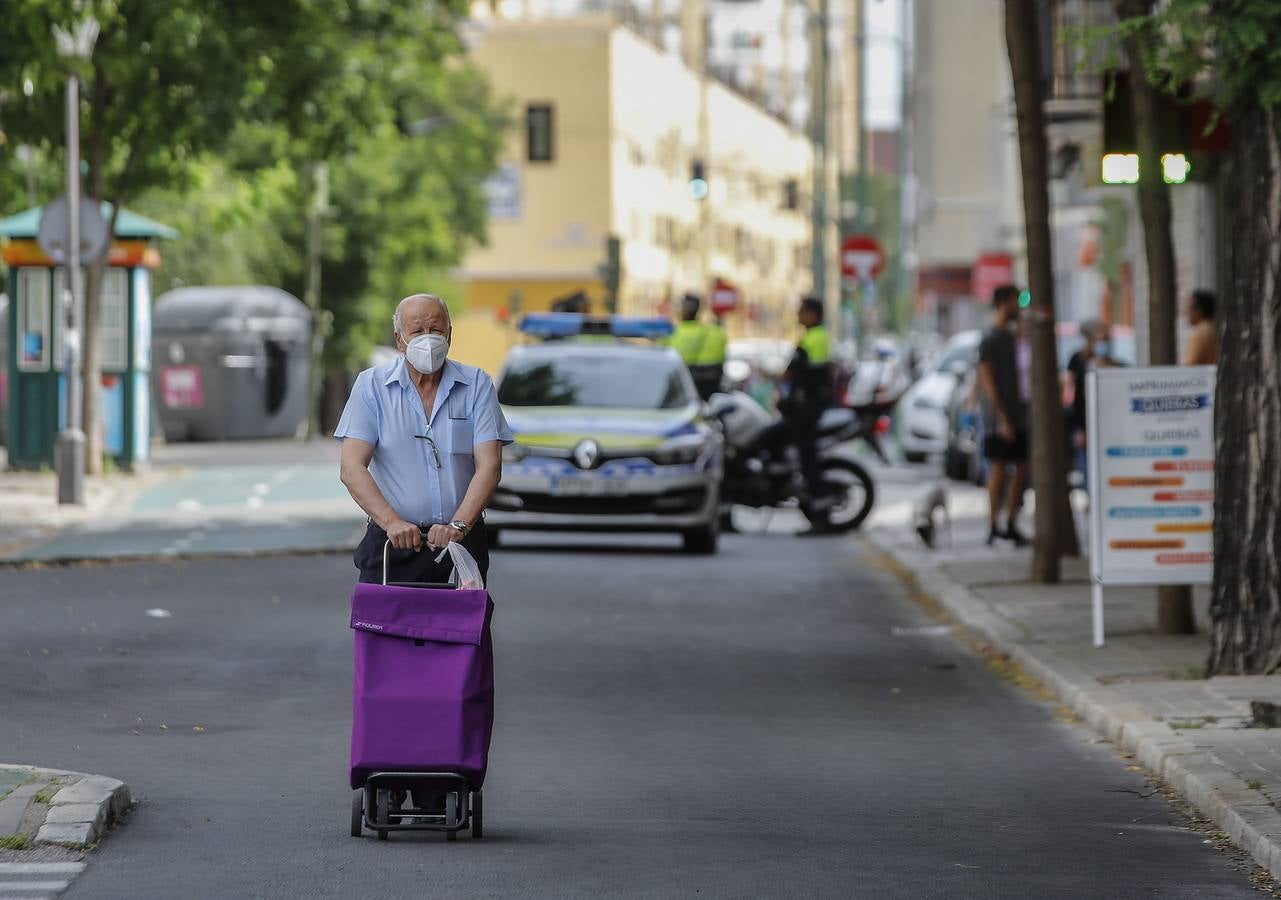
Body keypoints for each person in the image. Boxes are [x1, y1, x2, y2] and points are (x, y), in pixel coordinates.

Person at [336, 293, 513, 587]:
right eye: (417, 331)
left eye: (436, 330)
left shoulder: (476, 385)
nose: (427, 339)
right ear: (399, 338)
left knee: (460, 630)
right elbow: (351, 467)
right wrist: (392, 522)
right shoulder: (372, 387)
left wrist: (458, 525)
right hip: (393, 543)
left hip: (460, 544)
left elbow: (490, 466)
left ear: (450, 334)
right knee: (385, 630)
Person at [763, 297, 835, 515]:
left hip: (807, 409)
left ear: (813, 314)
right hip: (809, 406)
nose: (798, 315)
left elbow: (792, 372)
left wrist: (776, 377)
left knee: (807, 458)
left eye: (801, 311)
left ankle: (820, 507)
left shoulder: (813, 339)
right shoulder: (820, 337)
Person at [977, 285, 1029, 547]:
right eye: (1015, 301)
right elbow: (987, 381)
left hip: (1020, 415)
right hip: (1000, 417)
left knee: (1022, 466)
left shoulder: (1015, 338)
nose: (1019, 306)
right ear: (1003, 302)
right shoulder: (990, 339)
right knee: (998, 469)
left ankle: (1011, 520)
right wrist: (1002, 418)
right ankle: (993, 524)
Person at [1065, 319, 1119, 489]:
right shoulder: (1079, 360)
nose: (1105, 342)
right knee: (1088, 470)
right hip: (1084, 423)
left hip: (1109, 425)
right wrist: (1080, 428)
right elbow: (1074, 397)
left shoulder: (1116, 365)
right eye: (1101, 338)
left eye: (1107, 339)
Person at [668, 293, 728, 401]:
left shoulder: (672, 333)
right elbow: (723, 358)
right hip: (712, 396)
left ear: (683, 310)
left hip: (684, 396)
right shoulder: (716, 332)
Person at [1183, 289, 1218, 365]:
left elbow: (1190, 364)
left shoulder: (1200, 333)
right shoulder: (1214, 328)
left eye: (1190, 308)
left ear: (1199, 310)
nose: (1187, 312)